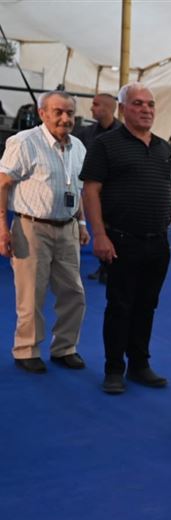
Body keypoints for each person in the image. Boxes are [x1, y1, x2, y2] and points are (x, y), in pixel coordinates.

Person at [81, 82, 171, 394]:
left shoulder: (164, 148)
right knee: (120, 306)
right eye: (138, 103)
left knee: (146, 306)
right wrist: (99, 235)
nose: (146, 109)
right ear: (122, 108)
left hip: (157, 242)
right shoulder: (106, 145)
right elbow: (91, 190)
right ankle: (114, 369)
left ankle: (139, 364)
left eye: (150, 104)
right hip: (120, 241)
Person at [0, 90, 90, 373]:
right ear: (42, 113)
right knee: (31, 294)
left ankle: (65, 348)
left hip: (68, 228)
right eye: (58, 112)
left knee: (74, 293)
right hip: (31, 228)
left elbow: (77, 188)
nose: (65, 118)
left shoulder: (79, 146)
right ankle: (26, 349)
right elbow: (2, 184)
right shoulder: (24, 142)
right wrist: (2, 228)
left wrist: (82, 223)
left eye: (70, 113)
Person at [76, 93, 121, 285]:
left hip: (114, 192)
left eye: (96, 104)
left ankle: (110, 267)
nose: (91, 108)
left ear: (107, 108)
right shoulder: (86, 133)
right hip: (91, 189)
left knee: (113, 230)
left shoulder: (123, 133)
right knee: (97, 228)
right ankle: (103, 266)